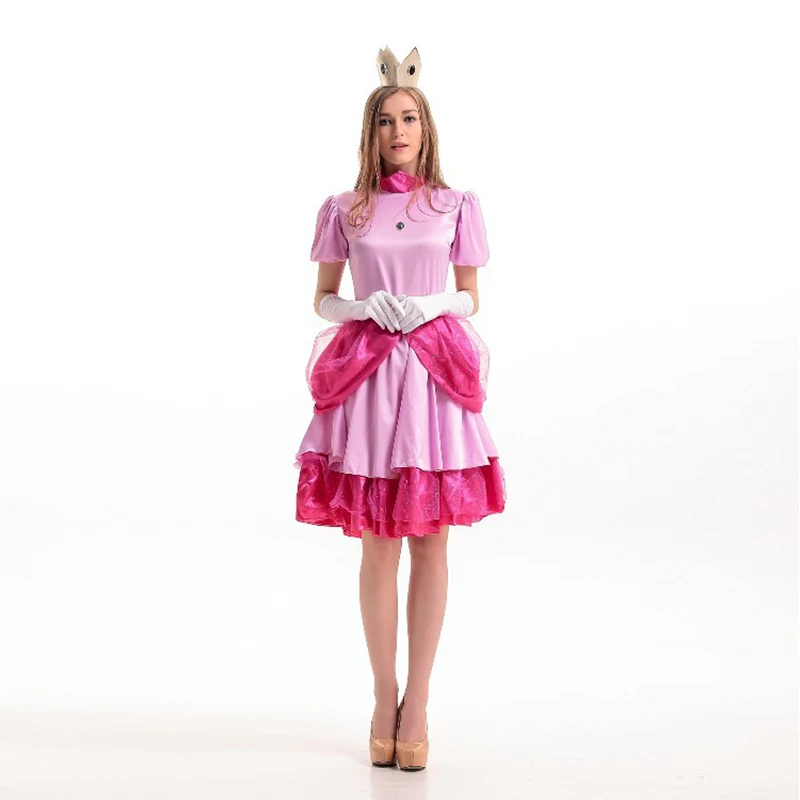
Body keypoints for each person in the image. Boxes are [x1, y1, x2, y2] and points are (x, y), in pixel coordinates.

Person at [293, 45, 507, 771]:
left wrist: (432, 303)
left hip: (434, 374)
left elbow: (471, 296)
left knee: (432, 540)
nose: (399, 130)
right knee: (377, 543)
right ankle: (383, 697)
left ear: (427, 125)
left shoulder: (454, 204)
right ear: (371, 130)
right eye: (386, 120)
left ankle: (419, 700)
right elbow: (324, 298)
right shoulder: (345, 209)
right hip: (369, 375)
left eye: (409, 117)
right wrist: (362, 305)